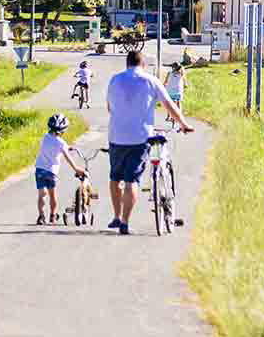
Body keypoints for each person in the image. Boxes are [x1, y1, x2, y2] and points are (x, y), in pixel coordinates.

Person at [106, 51, 194, 235]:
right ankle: (125, 222)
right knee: (132, 181)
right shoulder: (151, 81)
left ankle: (116, 215)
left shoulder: (114, 80)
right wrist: (183, 125)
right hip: (140, 138)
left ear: (127, 64)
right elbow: (170, 105)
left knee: (115, 178)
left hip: (116, 137)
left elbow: (109, 107)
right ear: (143, 64)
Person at [34, 113, 86, 225]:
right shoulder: (61, 143)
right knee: (52, 195)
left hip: (39, 169)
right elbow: (67, 157)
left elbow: (51, 144)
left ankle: (41, 216)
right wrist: (76, 168)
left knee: (42, 194)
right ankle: (53, 215)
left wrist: (66, 147)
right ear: (63, 130)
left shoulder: (44, 137)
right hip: (51, 172)